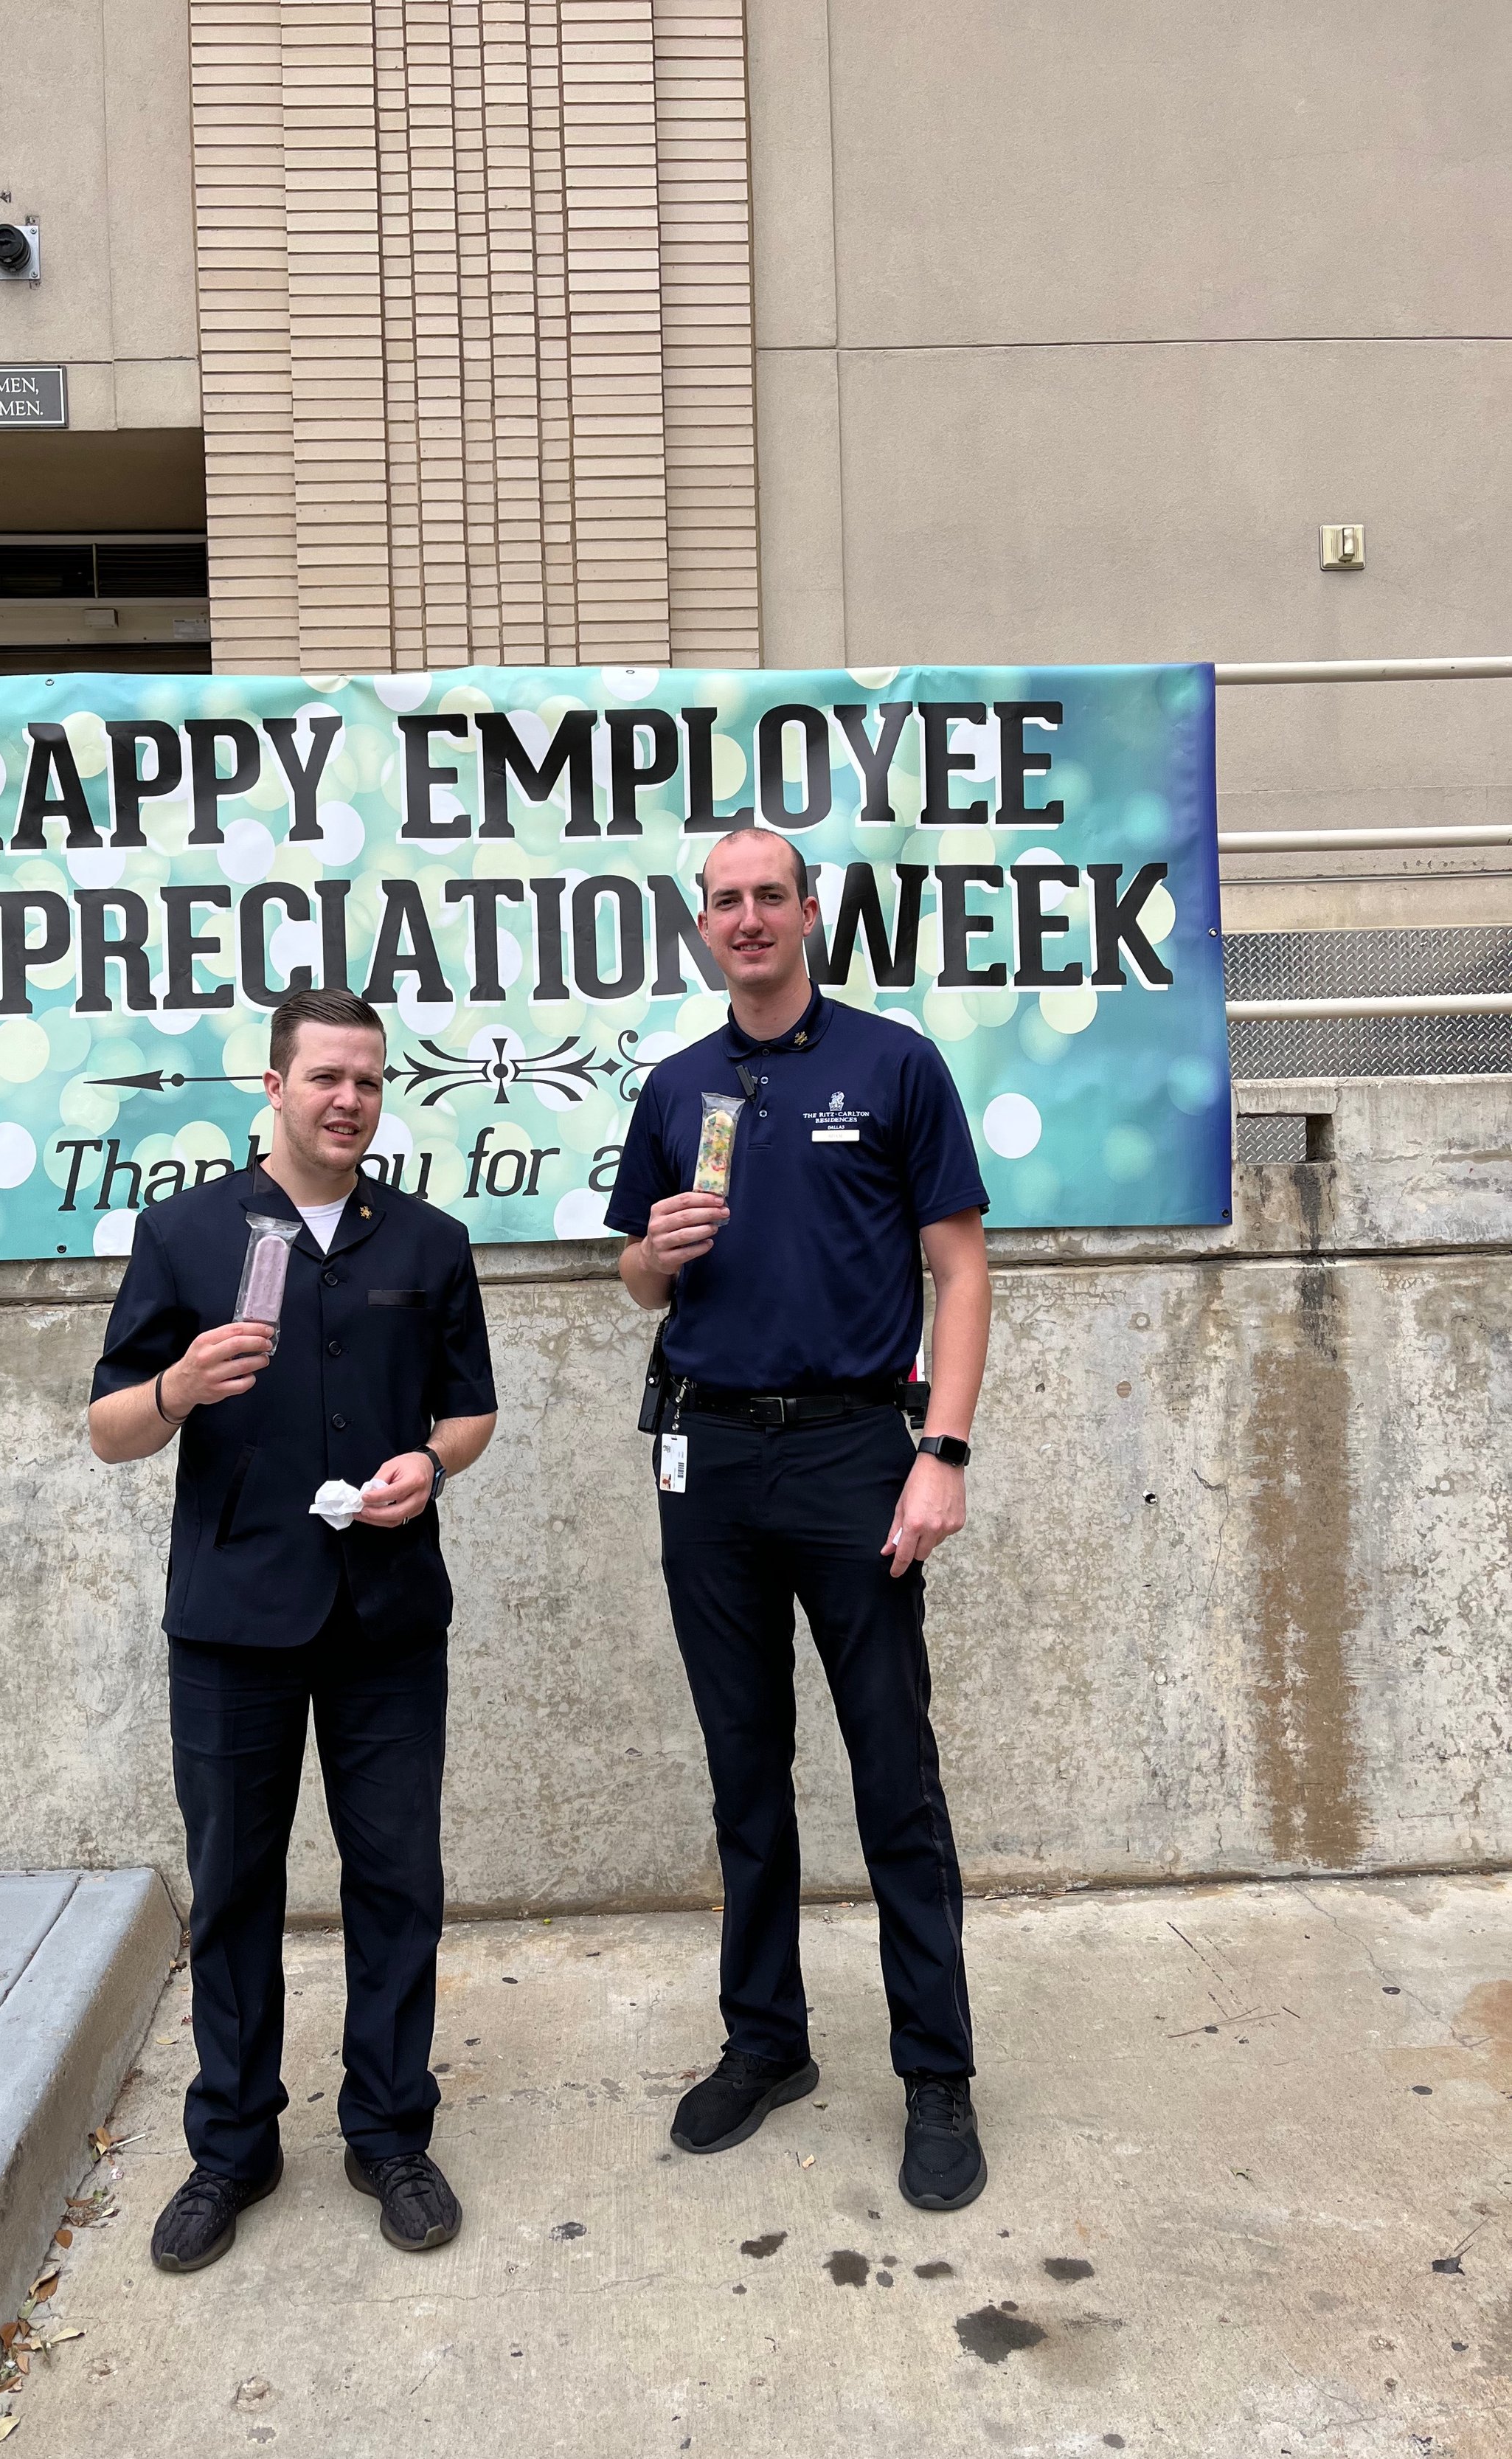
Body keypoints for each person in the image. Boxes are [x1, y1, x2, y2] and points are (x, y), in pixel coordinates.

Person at [604, 828, 993, 2211]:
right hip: (708, 1457)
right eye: (728, 900)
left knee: (896, 1776)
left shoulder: (893, 1064)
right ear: (700, 926)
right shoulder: (676, 1086)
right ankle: (767, 2042)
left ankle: (936, 2075)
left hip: (851, 1455)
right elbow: (639, 1287)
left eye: (773, 894)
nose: (750, 917)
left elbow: (959, 1267)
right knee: (744, 1775)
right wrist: (659, 1249)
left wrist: (938, 1451)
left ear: (811, 911)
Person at [89, 986, 498, 2271]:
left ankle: (388, 2130)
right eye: (325, 1077)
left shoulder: (428, 1241)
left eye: (369, 1081)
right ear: (272, 1085)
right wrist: (174, 1385)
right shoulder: (187, 1232)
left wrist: (430, 1466)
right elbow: (107, 1425)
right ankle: (233, 2145)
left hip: (386, 1619)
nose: (348, 1101)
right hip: (231, 1621)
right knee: (236, 1893)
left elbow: (471, 1411)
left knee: (397, 1884)